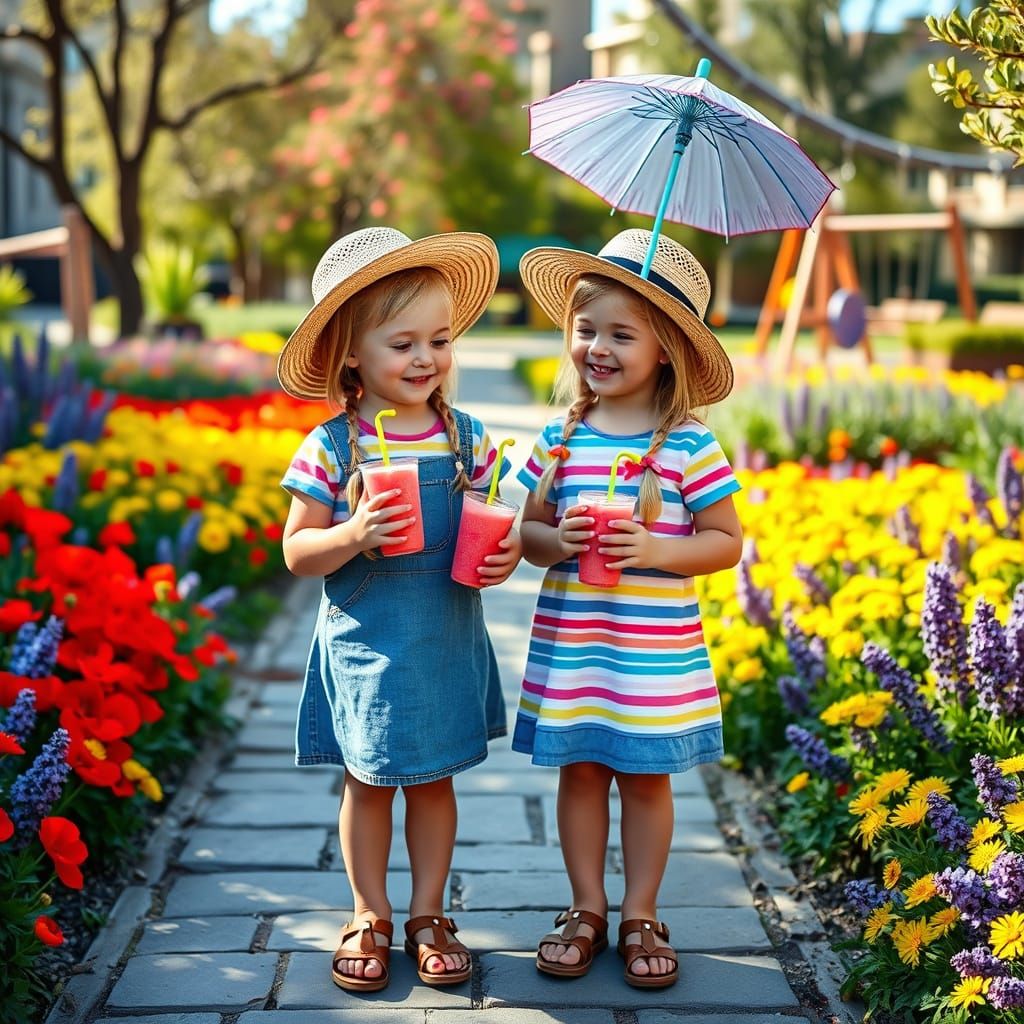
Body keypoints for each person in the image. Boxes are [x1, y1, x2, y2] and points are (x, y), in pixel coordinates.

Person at [277, 227, 521, 994]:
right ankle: (367, 909)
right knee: (369, 780)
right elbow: (296, 550)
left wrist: (504, 551)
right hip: (368, 640)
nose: (426, 359)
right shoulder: (334, 447)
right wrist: (351, 532)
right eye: (403, 343)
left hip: (444, 634)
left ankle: (427, 912)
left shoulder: (466, 438)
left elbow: (492, 520)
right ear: (352, 353)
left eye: (440, 340)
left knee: (435, 780)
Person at [512, 228, 743, 989]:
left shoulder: (689, 448)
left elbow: (724, 543)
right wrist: (555, 536)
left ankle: (642, 909)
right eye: (585, 331)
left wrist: (655, 550)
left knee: (646, 779)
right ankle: (586, 906)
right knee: (579, 773)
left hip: (650, 655)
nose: (597, 347)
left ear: (667, 349)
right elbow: (530, 537)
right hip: (579, 645)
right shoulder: (559, 439)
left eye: (620, 333)